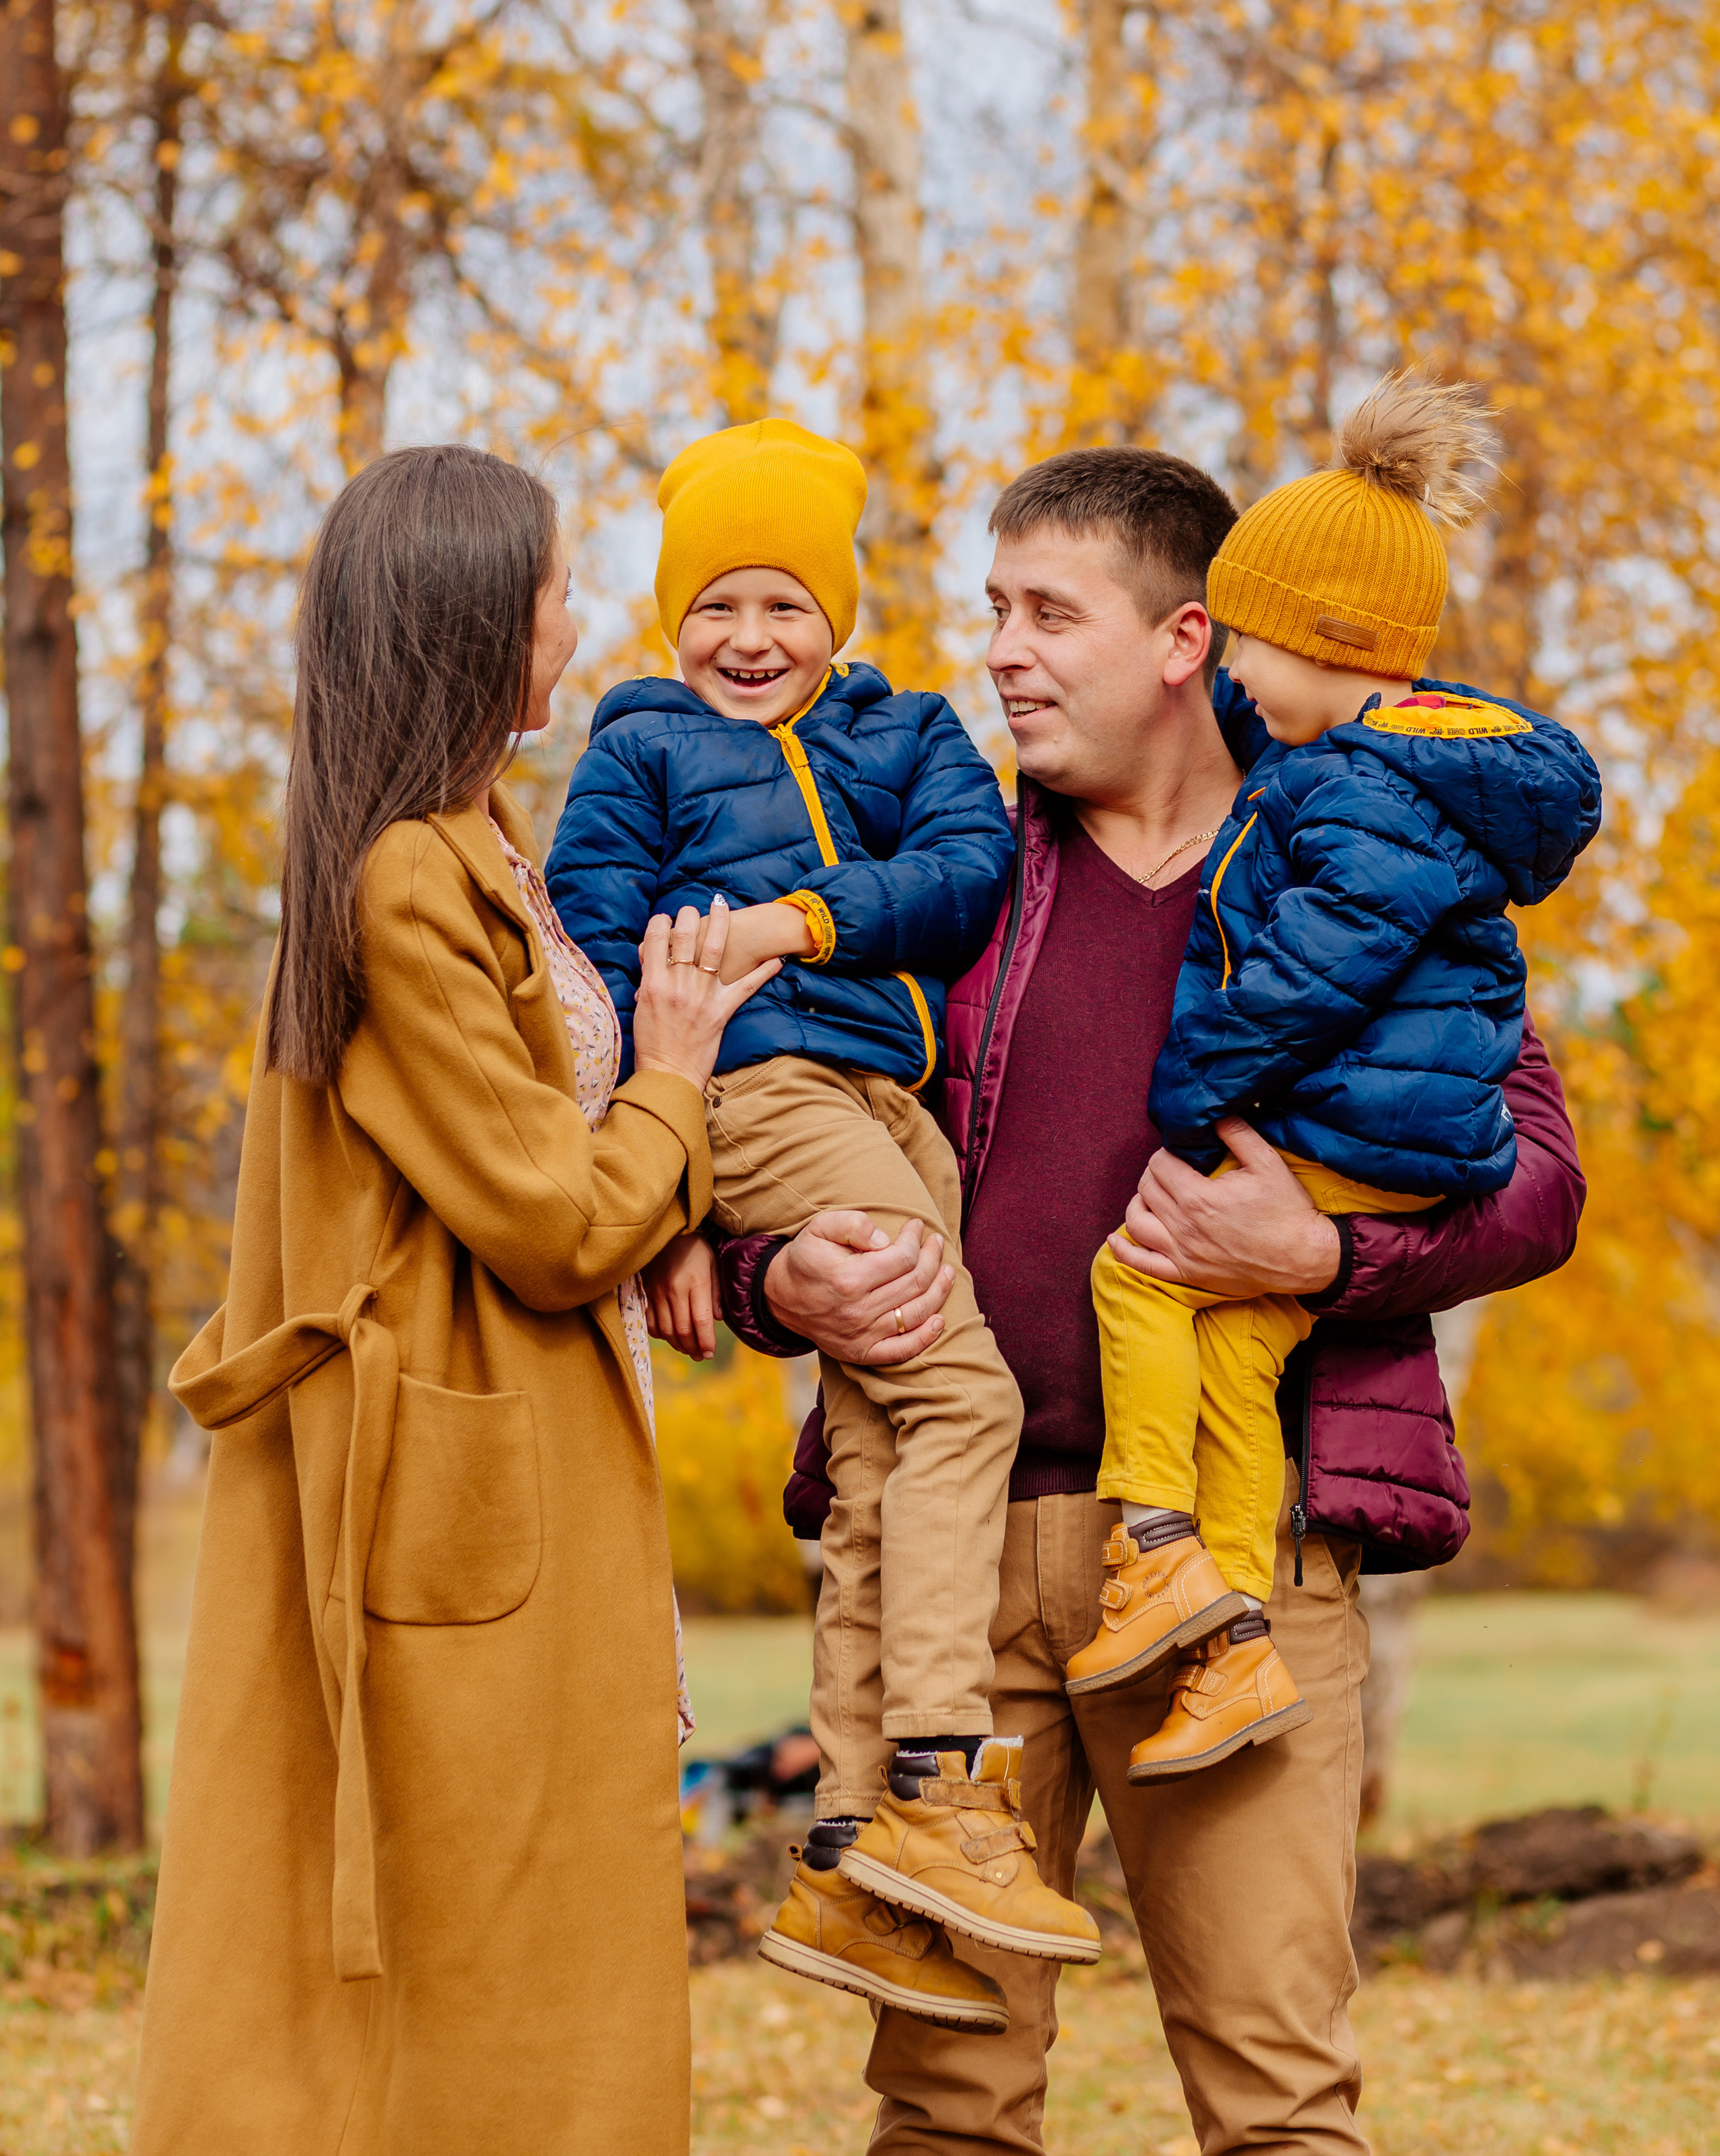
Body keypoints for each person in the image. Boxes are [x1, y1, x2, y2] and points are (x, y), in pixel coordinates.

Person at [703, 442, 1585, 2155]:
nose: (1002, 655)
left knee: (1274, 2099)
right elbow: (777, 1121)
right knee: (941, 2105)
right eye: (990, 614)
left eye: (1047, 615)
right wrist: (769, 1272)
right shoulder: (943, 873)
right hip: (948, 1577)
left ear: (1186, 638)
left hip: (1226, 1581)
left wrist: (1320, 1258)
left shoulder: (1365, 850)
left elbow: (1532, 1180)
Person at [134, 448, 779, 2156]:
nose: (582, 615)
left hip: (504, 1445)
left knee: (509, 1912)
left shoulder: (477, 839)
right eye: (562, 585)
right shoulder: (399, 874)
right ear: (482, 618)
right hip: (439, 1462)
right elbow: (552, 1221)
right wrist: (677, 1078)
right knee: (471, 1928)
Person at [545, 417, 1099, 2032]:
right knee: (962, 1396)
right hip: (761, 1092)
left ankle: (854, 1847)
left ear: (838, 616)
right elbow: (590, 961)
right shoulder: (636, 749)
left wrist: (798, 918)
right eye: (714, 607)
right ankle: (937, 1771)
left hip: (890, 1114)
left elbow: (964, 876)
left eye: (783, 606)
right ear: (669, 622)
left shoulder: (911, 729)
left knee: (877, 1447)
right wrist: (654, 1203)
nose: (747, 641)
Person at [1066, 378, 1601, 1780]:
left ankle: (1157, 1545)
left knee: (1137, 1278)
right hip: (1381, 1130)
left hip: (1354, 1138)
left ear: (1323, 639)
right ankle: (1226, 1635)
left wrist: (1187, 1095)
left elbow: (1312, 972)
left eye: (1243, 639)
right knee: (1237, 1356)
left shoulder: (1359, 789)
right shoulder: (1412, 772)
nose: (1228, 673)